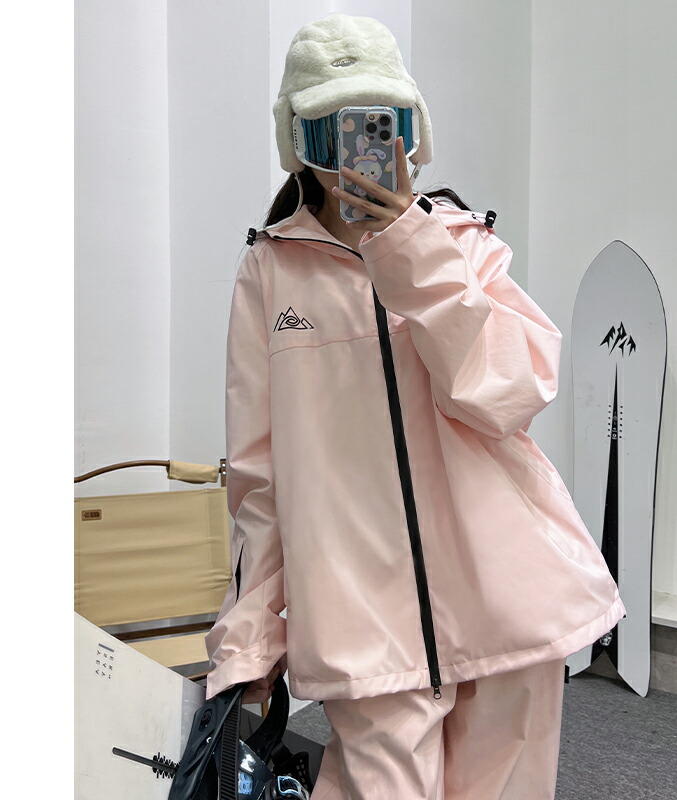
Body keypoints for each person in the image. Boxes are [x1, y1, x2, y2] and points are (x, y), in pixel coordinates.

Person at [204, 12, 627, 800]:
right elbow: (260, 480)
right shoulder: (269, 272)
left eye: (379, 123)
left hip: (511, 603)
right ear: (298, 141)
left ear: (411, 133)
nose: (357, 151)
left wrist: (408, 245)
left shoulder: (464, 245)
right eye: (329, 129)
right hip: (361, 624)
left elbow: (510, 393)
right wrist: (249, 639)